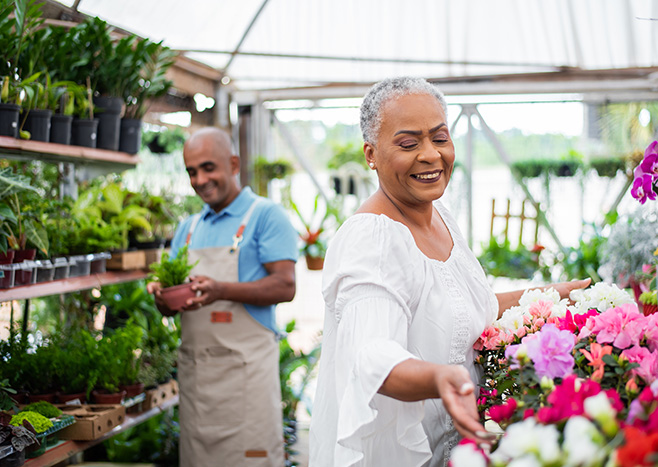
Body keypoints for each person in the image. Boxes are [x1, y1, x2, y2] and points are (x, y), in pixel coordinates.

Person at [308, 78, 590, 467]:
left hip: (453, 448)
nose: (430, 155)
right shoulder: (371, 239)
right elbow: (371, 354)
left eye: (439, 138)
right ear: (371, 154)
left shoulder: (441, 218)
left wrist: (555, 295)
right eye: (408, 144)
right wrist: (439, 378)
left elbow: (469, 307)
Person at [147, 127, 298, 467]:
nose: (200, 179)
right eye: (191, 171)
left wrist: (220, 290)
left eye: (208, 167)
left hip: (247, 386)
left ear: (233, 163)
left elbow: (285, 286)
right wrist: (161, 296)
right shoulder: (188, 230)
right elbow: (172, 304)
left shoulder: (265, 216)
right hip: (199, 387)